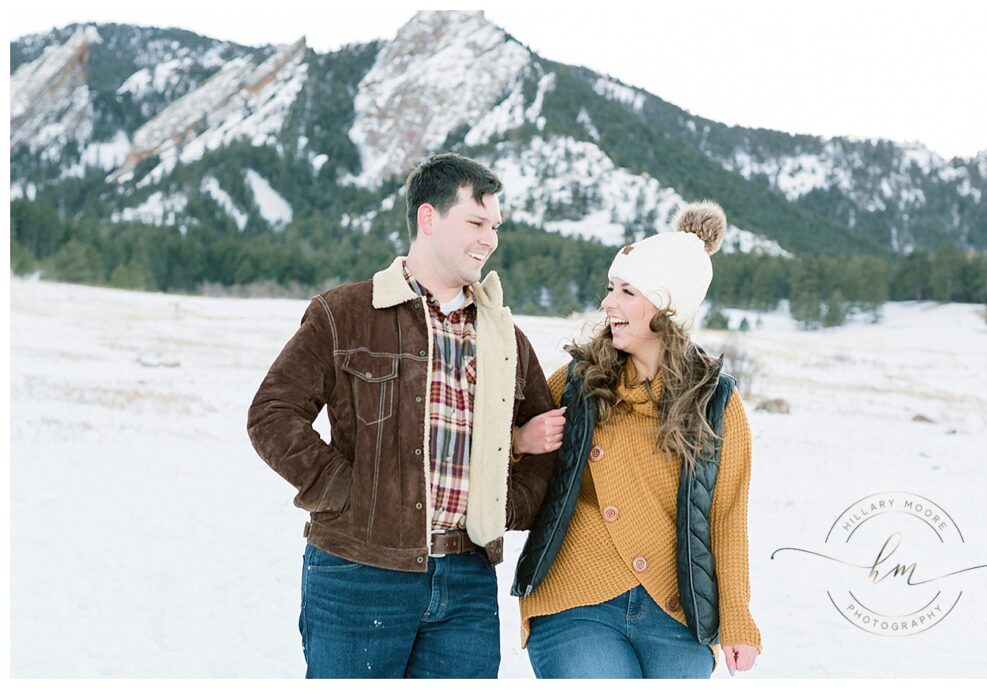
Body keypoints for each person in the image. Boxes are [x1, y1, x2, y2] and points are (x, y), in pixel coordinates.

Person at [247, 152, 561, 679]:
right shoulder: (344, 313)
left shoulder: (504, 338)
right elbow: (272, 416)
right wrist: (346, 494)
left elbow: (547, 446)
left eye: (496, 226)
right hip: (358, 573)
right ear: (428, 218)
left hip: (466, 581)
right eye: (477, 223)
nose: (491, 239)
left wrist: (503, 506)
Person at [509, 201, 762, 678]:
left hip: (675, 610)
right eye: (610, 289)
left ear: (666, 305)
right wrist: (519, 441)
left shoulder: (716, 404)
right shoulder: (578, 383)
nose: (608, 304)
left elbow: (727, 517)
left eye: (626, 291)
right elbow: (508, 455)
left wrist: (738, 620)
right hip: (576, 597)